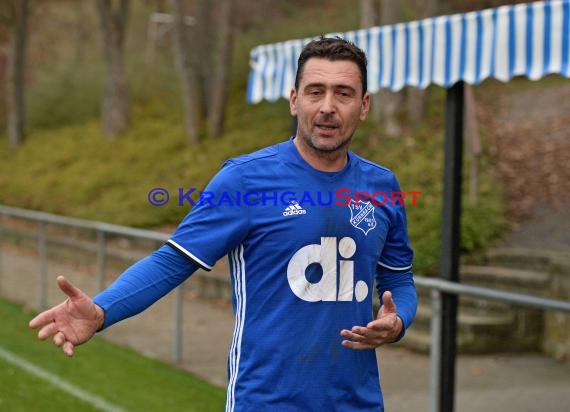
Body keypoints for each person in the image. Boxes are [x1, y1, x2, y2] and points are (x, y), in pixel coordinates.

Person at [30, 36, 417, 411]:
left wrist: (397, 321)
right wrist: (102, 311)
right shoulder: (245, 181)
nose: (328, 106)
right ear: (294, 101)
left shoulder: (381, 186)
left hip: (359, 403)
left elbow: (399, 280)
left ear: (364, 106)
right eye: (315, 92)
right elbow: (173, 261)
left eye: (343, 93)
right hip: (266, 403)